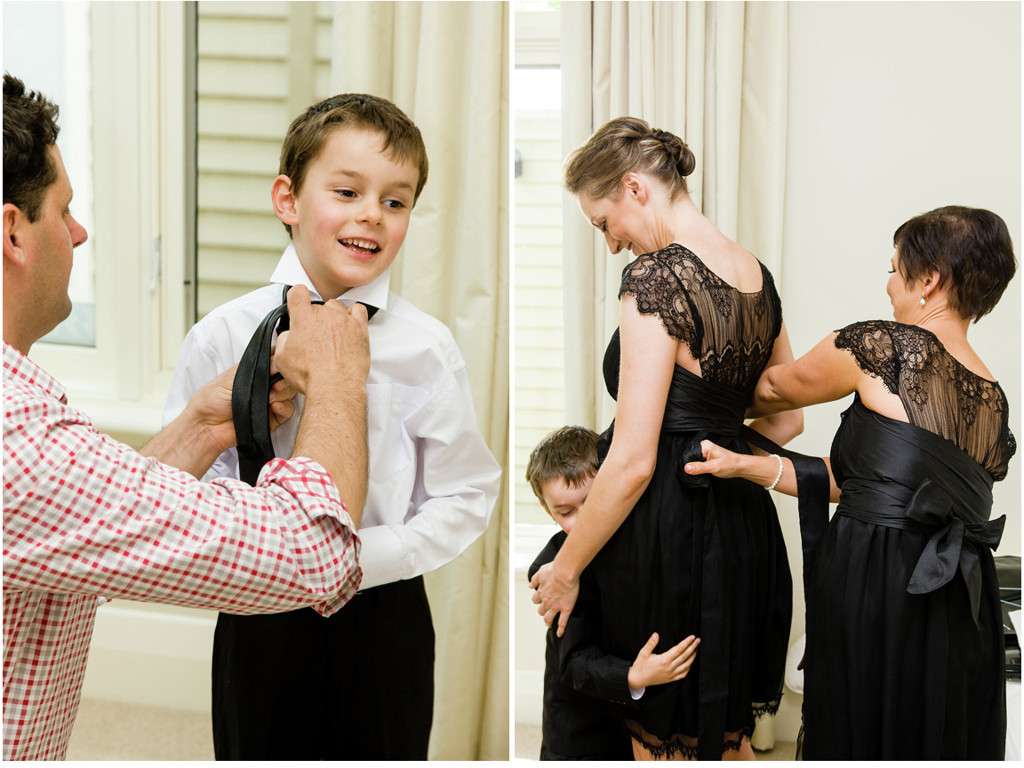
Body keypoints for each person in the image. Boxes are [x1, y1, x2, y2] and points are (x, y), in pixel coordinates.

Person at [2, 73, 372, 761]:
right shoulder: (15, 436)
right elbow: (314, 555)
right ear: (12, 231)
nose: (79, 234)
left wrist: (203, 426)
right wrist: (339, 384)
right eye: (63, 210)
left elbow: (81, 522)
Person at [163, 92, 502, 760]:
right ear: (287, 199)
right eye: (347, 191)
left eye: (395, 201)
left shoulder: (427, 348)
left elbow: (466, 493)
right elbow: (188, 487)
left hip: (384, 616)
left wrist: (364, 559)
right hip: (260, 613)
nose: (372, 214)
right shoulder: (221, 336)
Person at [684, 205, 1017, 760]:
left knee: (859, 722)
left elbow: (770, 391)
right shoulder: (993, 399)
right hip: (959, 597)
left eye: (894, 269)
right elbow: (871, 485)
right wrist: (747, 466)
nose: (888, 284)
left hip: (877, 578)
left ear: (929, 279)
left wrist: (690, 381)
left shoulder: (882, 347)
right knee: (927, 726)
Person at [530, 117, 803, 760]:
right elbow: (786, 420)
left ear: (634, 188)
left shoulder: (656, 277)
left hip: (670, 535)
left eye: (604, 223)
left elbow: (631, 462)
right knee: (725, 730)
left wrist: (565, 571)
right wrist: (716, 441)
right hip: (744, 527)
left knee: (664, 736)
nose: (611, 244)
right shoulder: (756, 275)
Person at [526, 425, 700, 760]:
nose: (583, 520)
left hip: (639, 721)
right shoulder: (551, 572)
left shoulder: (643, 539)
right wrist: (632, 676)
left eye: (592, 502)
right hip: (582, 728)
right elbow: (573, 661)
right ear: (549, 511)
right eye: (566, 512)